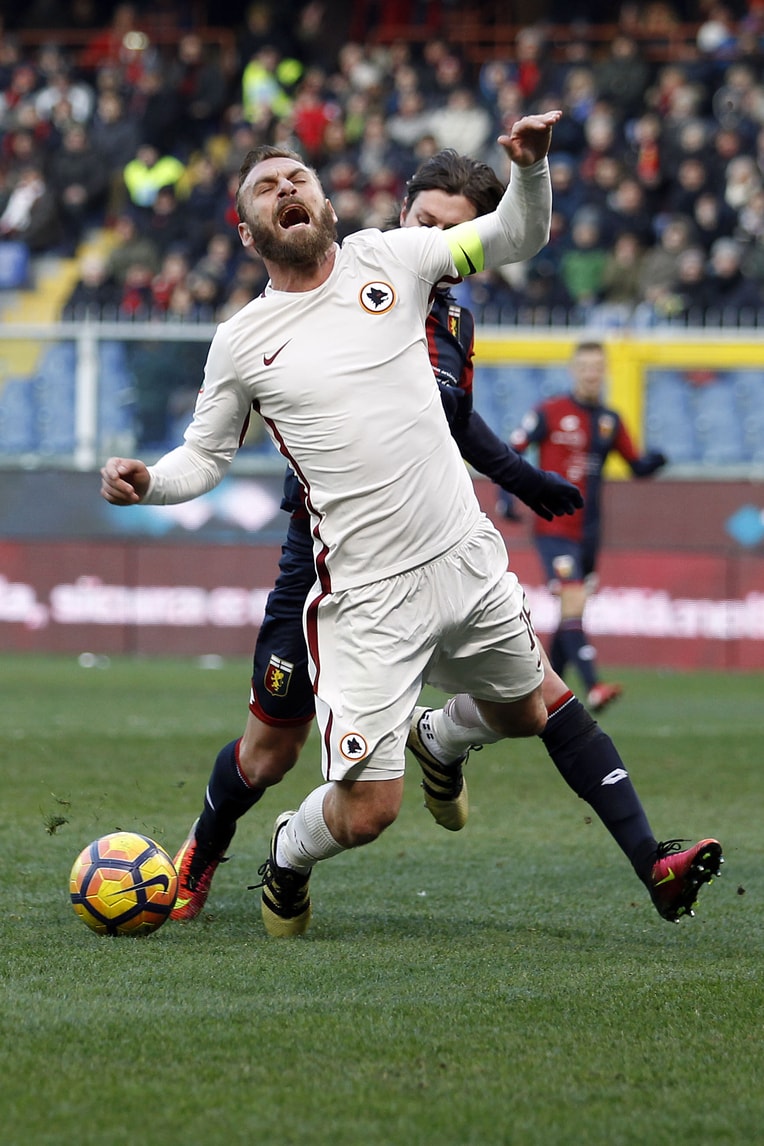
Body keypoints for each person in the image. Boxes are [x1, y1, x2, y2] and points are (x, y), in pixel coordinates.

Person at [102, 118, 722, 937]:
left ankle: (650, 862)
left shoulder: (390, 257)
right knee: (362, 809)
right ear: (246, 230)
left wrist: (530, 170)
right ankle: (286, 848)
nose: (287, 188)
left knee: (537, 707)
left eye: (298, 177)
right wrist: (149, 483)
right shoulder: (242, 342)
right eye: (266, 187)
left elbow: (515, 235)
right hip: (365, 593)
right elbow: (204, 456)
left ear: (327, 202)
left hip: (462, 555)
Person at [508, 340, 667, 714]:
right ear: (573, 371)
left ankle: (546, 697)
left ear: (605, 372)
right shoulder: (550, 411)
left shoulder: (609, 421)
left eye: (597, 367)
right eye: (585, 367)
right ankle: (593, 686)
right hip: (553, 527)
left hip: (589, 534)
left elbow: (636, 466)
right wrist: (506, 495)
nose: (591, 374)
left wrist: (657, 459)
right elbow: (514, 447)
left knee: (571, 612)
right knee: (573, 601)